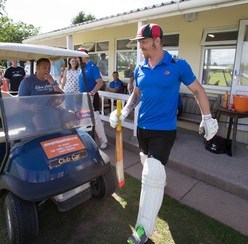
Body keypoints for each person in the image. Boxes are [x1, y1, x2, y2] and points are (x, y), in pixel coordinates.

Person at [109, 24, 219, 244]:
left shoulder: (178, 65)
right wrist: (125, 111)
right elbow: (136, 94)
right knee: (148, 165)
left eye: (144, 41)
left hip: (164, 130)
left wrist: (207, 118)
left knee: (151, 176)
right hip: (143, 129)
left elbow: (198, 90)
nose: (140, 46)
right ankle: (160, 182)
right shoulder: (140, 68)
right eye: (139, 42)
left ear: (157, 40)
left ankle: (143, 230)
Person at [77, 48, 109, 150]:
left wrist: (92, 93)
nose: (77, 59)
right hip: (83, 97)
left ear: (84, 56)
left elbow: (100, 82)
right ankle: (86, 141)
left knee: (95, 119)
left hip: (91, 96)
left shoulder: (92, 67)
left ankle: (103, 140)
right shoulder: (82, 68)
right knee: (83, 119)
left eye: (78, 56)